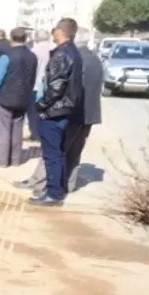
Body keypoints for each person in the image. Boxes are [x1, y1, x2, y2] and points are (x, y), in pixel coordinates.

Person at [15, 39, 103, 194]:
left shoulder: (72, 58)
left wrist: (44, 105)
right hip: (89, 115)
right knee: (74, 153)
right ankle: (68, 184)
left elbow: (64, 88)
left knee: (53, 151)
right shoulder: (95, 59)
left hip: (71, 113)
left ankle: (40, 183)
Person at [30, 17, 84, 207]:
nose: (52, 33)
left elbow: (56, 87)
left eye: (54, 30)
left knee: (51, 154)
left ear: (60, 32)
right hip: (64, 110)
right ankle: (55, 190)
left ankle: (54, 194)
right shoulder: (74, 53)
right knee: (58, 153)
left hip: (54, 111)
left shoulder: (62, 55)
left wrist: (42, 105)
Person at [0, 27, 37, 167]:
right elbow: (32, 78)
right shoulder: (32, 56)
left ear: (11, 38)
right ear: (25, 39)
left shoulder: (6, 56)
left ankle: (1, 160)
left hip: (4, 98)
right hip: (23, 98)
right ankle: (15, 159)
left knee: (2, 129)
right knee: (17, 130)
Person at [27, 34, 54, 141]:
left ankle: (35, 134)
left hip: (35, 85)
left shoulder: (33, 51)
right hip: (50, 85)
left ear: (37, 38)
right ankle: (46, 133)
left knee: (33, 112)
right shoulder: (53, 49)